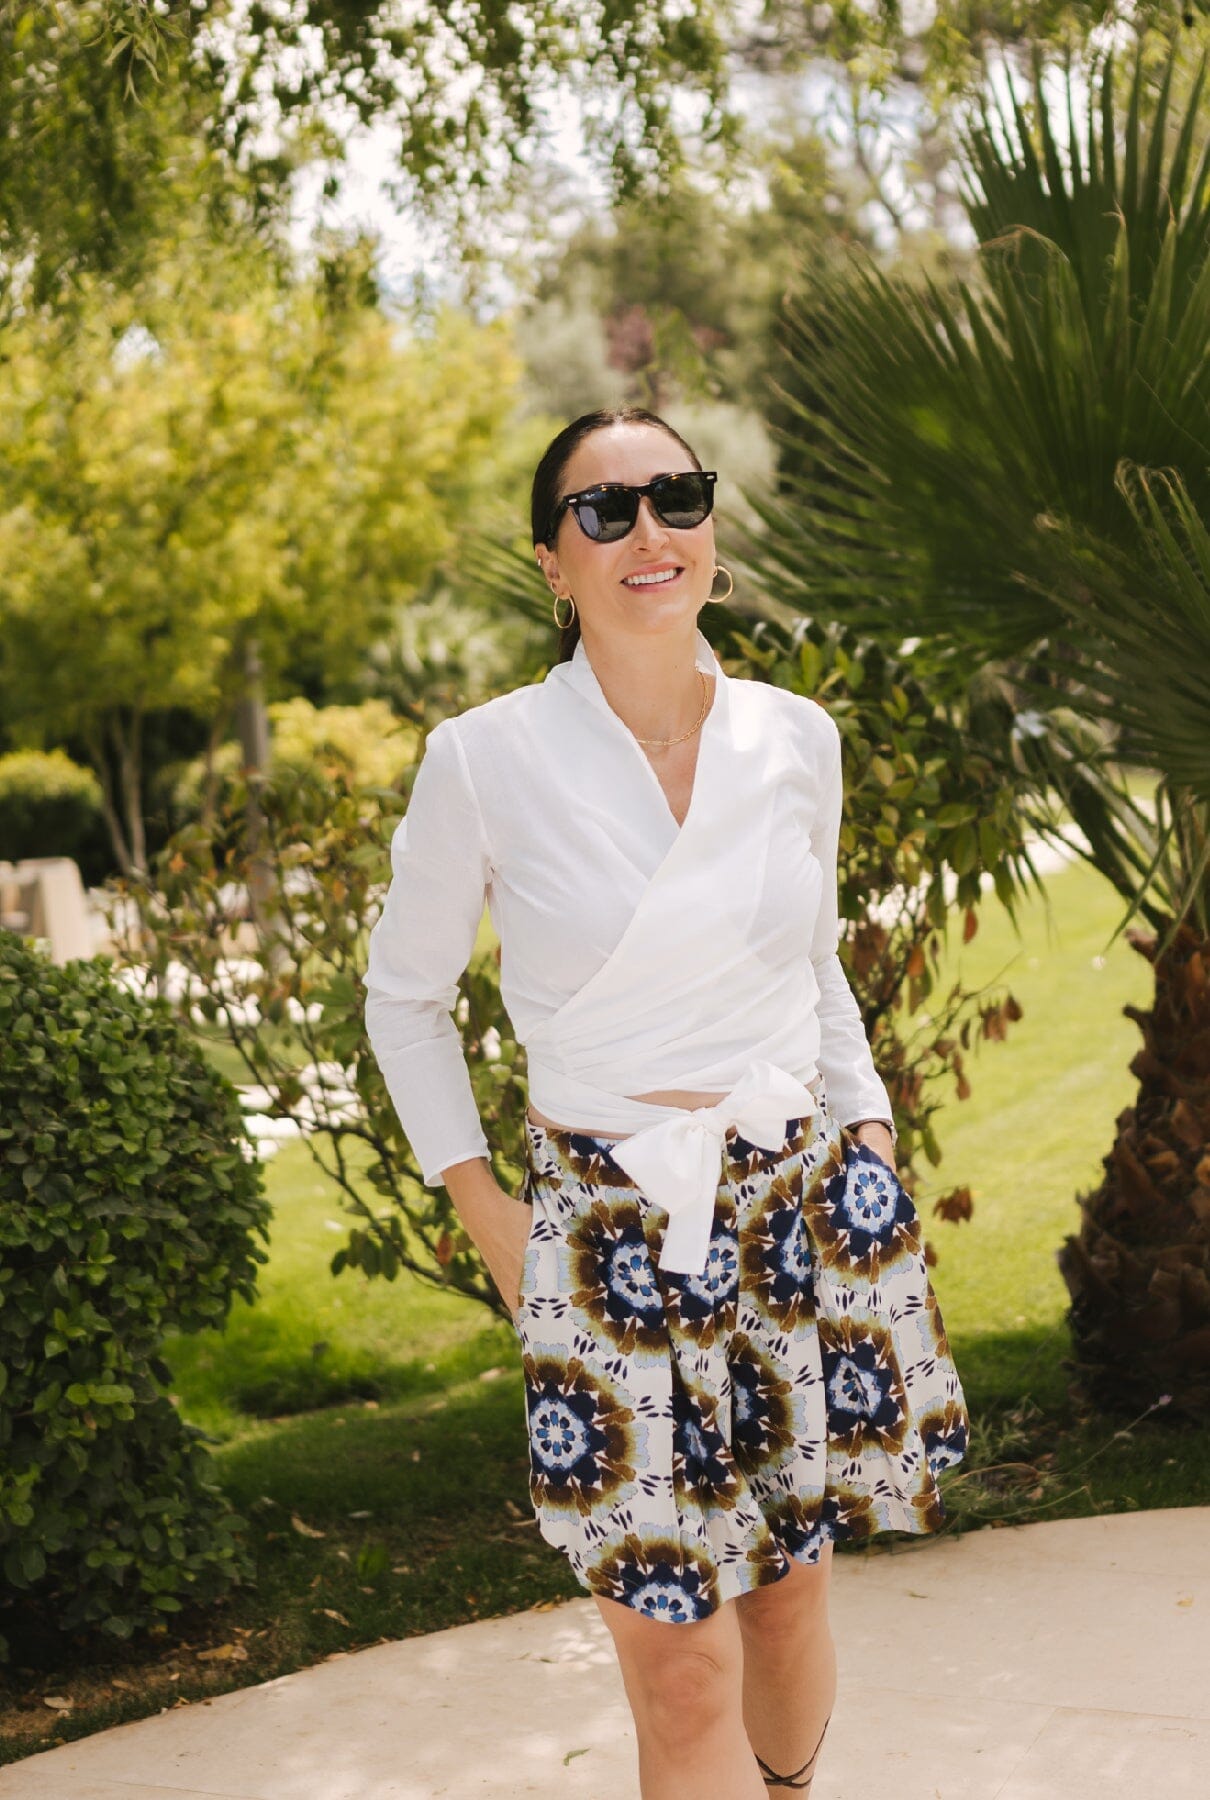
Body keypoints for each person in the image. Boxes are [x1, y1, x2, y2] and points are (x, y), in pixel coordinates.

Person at [364, 406, 969, 1800]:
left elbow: (814, 964)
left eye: (676, 498)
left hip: (793, 1211)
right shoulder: (484, 758)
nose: (649, 531)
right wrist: (485, 1208)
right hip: (604, 1235)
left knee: (787, 1604)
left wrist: (869, 1134)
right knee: (681, 1664)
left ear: (707, 526)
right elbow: (403, 998)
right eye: (605, 509)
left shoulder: (795, 737)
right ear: (553, 562)